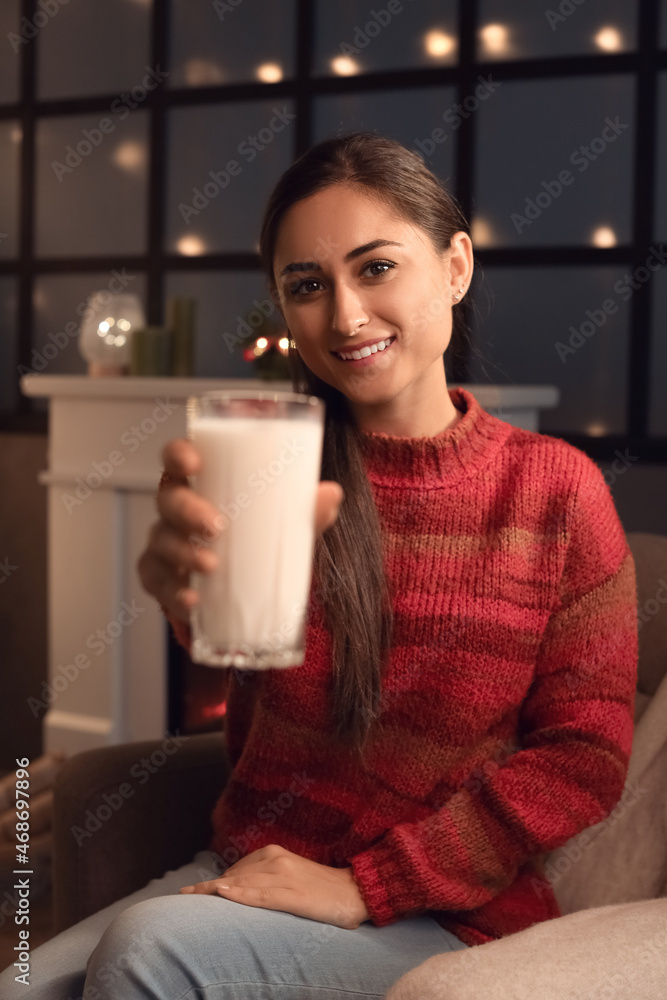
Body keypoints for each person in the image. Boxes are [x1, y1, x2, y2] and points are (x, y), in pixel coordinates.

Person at [0, 131, 638, 999]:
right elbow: (230, 629)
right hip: (254, 870)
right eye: (306, 286)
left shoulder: (554, 492)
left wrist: (363, 887)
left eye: (376, 267)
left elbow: (583, 759)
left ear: (454, 266)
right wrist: (180, 588)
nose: (342, 317)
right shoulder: (272, 467)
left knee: (149, 953)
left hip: (436, 914)